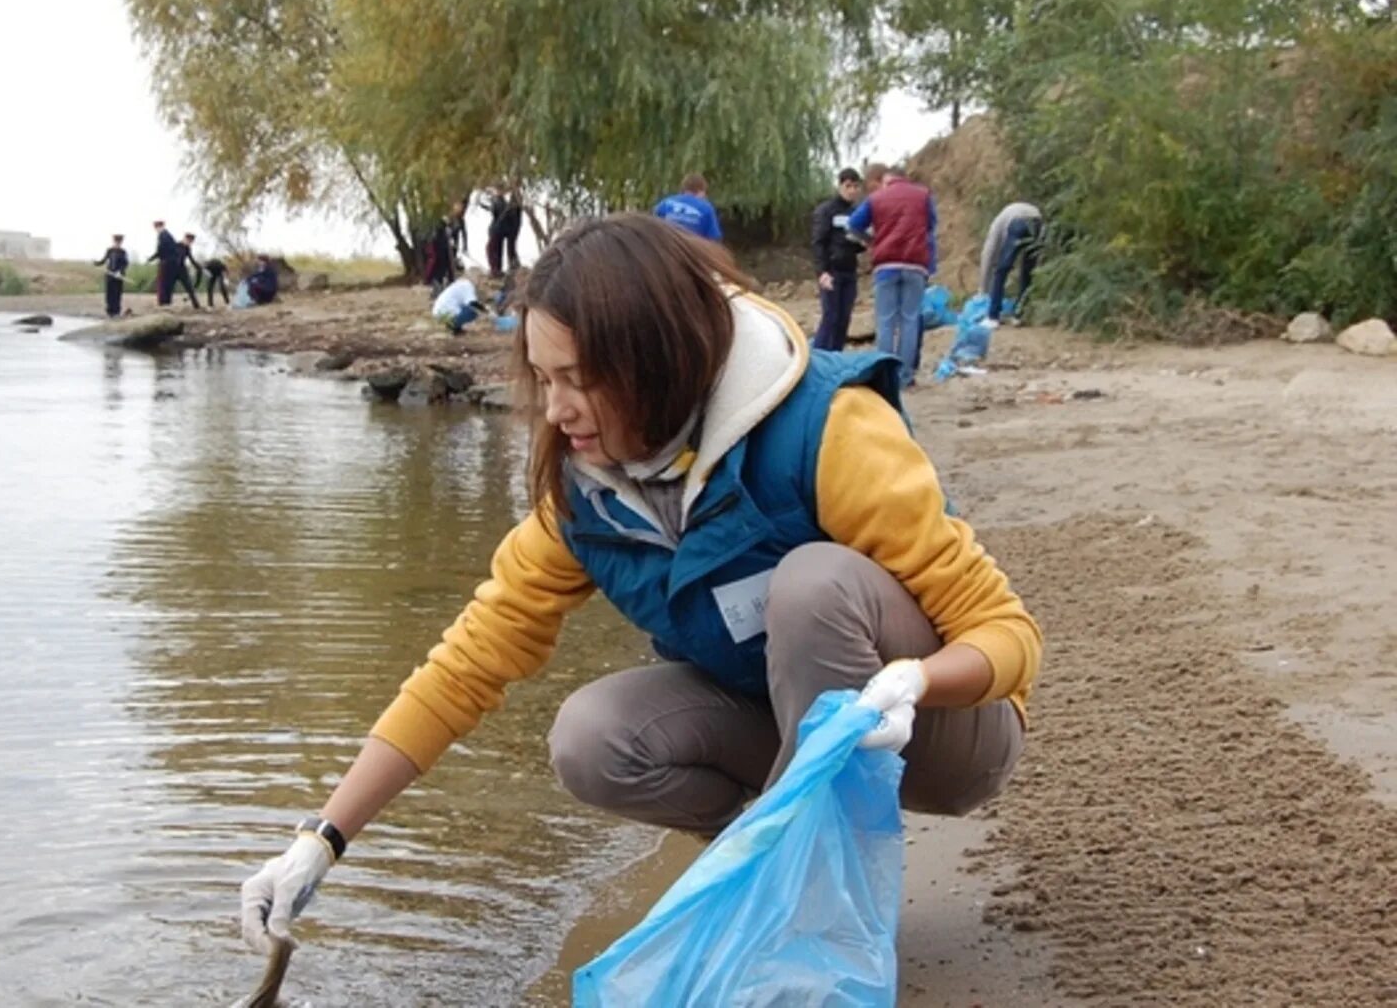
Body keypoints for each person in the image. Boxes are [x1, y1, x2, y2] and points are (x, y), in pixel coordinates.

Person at [238, 214, 1041, 957]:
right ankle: (773, 870)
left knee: (814, 584)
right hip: (784, 733)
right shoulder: (589, 498)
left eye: (577, 380)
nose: (555, 412)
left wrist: (913, 683)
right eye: (543, 379)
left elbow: (1009, 635)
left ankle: (816, 904)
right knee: (592, 736)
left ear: (655, 359)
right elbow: (466, 665)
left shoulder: (830, 427)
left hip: (943, 737)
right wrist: (323, 838)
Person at [848, 165, 938, 387]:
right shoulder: (923, 195)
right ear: (905, 178)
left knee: (886, 321)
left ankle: (885, 376)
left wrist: (872, 241)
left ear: (887, 179)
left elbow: (853, 225)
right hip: (916, 265)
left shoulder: (877, 198)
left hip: (886, 264)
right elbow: (931, 226)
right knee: (909, 320)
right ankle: (905, 375)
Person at [810, 168, 868, 351]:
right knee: (831, 317)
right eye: (848, 186)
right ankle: (819, 356)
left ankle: (835, 357)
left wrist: (863, 244)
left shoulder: (856, 212)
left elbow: (856, 242)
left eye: (855, 186)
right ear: (840, 186)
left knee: (844, 318)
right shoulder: (826, 210)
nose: (851, 190)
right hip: (832, 271)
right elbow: (818, 242)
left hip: (849, 270)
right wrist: (822, 272)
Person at [979, 203, 1043, 323]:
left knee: (1001, 270)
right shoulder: (1005, 217)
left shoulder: (996, 225)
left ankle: (993, 316)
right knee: (1028, 272)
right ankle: (1019, 314)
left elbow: (987, 255)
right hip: (1037, 221)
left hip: (1019, 221)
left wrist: (982, 289)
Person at [653, 173, 723, 241]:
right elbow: (714, 239)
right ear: (701, 190)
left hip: (666, 248)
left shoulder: (665, 203)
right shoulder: (706, 208)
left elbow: (653, 228)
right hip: (692, 250)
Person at [92, 234, 129, 318]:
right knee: (109, 294)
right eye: (116, 242)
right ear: (114, 241)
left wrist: (120, 271)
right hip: (109, 275)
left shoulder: (123, 252)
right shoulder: (109, 250)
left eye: (119, 242)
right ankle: (110, 311)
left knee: (117, 294)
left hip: (119, 276)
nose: (117, 244)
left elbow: (125, 264)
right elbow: (104, 260)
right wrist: (96, 263)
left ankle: (116, 312)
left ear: (121, 242)